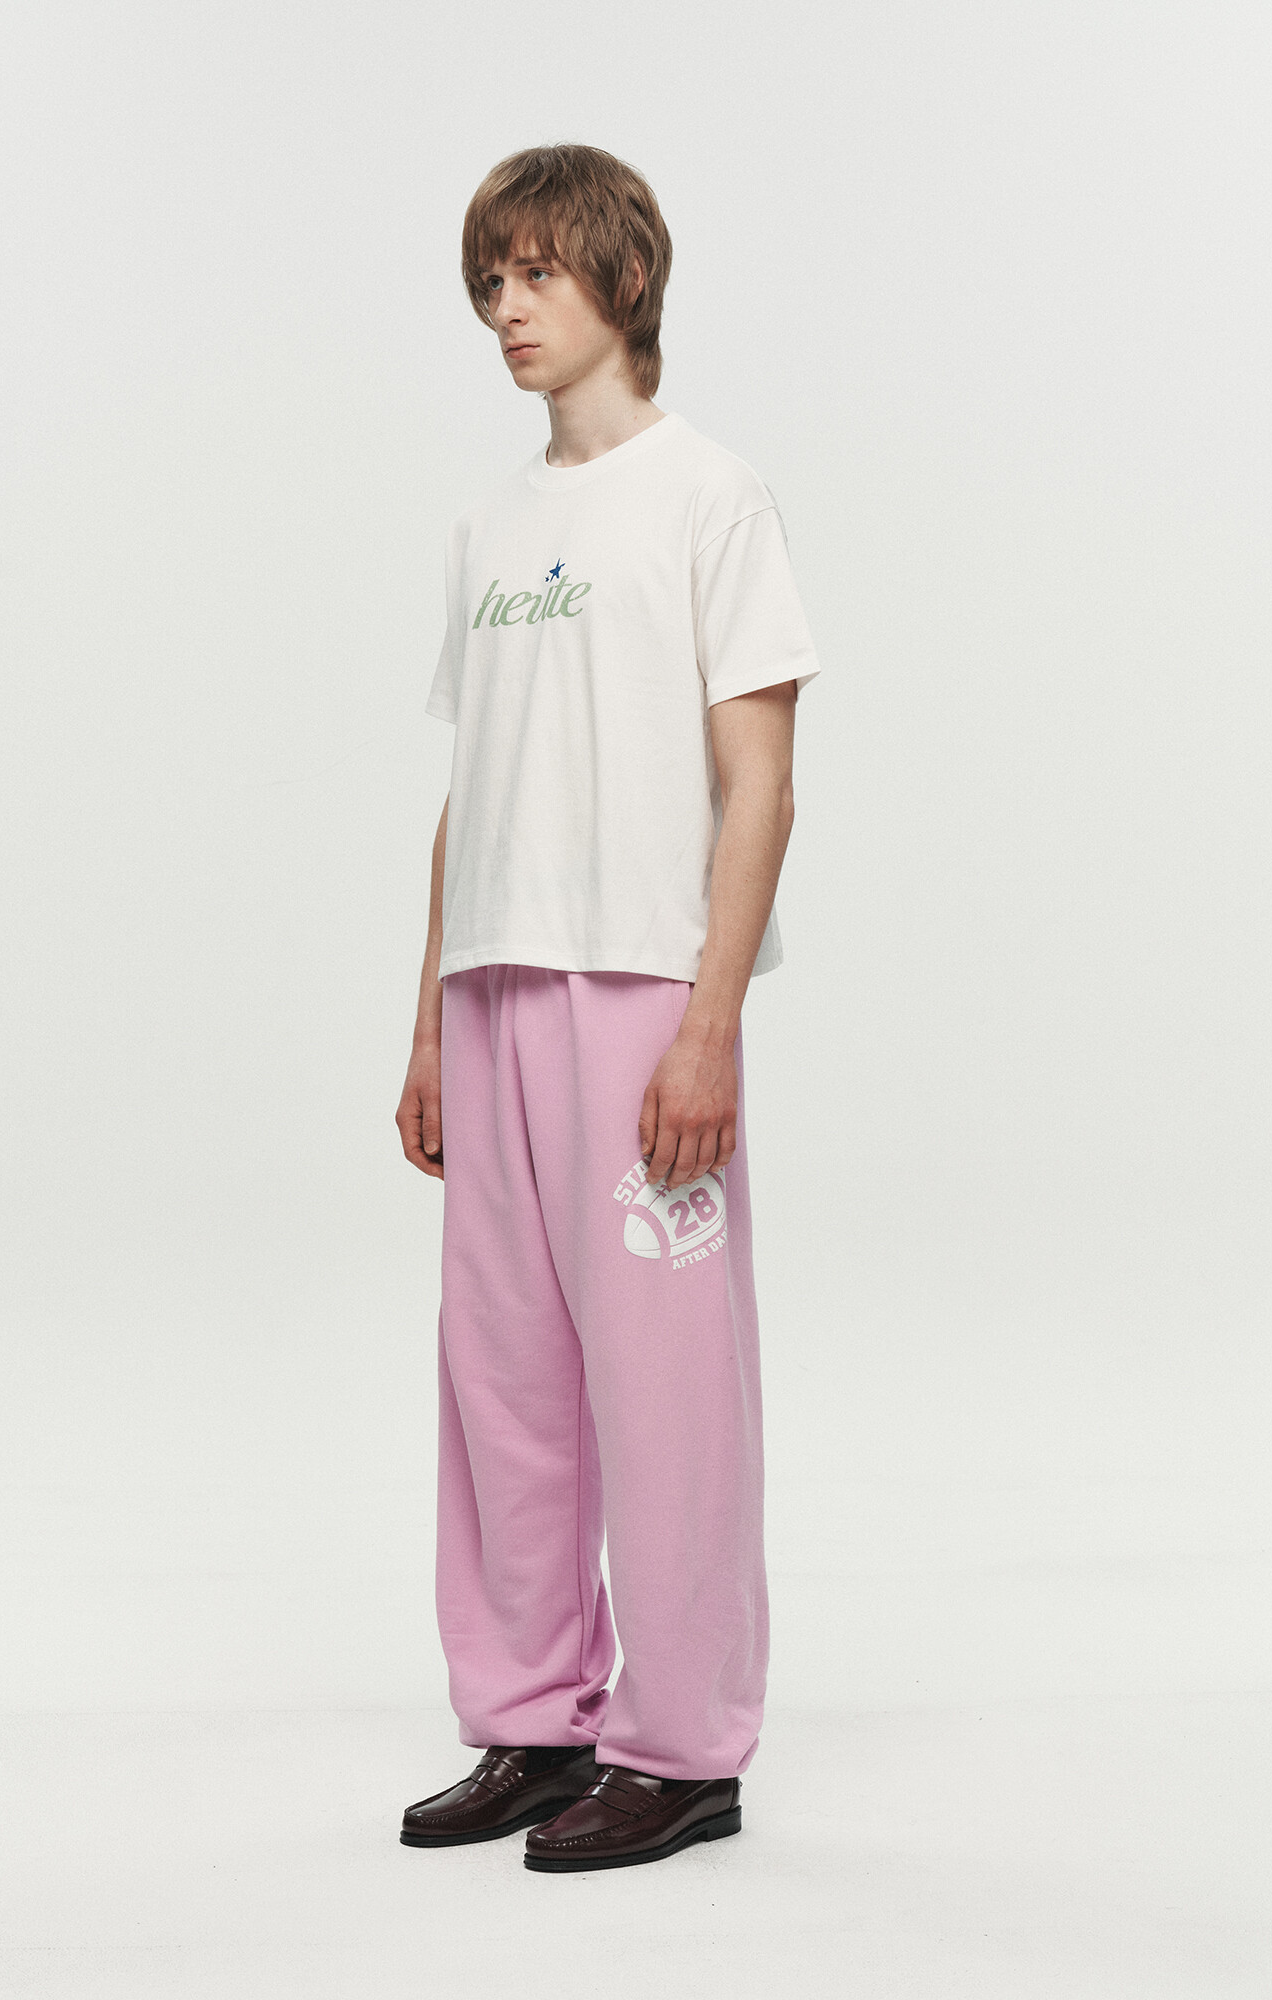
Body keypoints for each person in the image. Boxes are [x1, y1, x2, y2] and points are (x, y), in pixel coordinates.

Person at [393, 142, 820, 1873]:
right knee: (503, 1378)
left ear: (622, 280)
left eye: (538, 273)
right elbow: (470, 790)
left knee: (668, 1387)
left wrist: (713, 1024)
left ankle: (686, 1749)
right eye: (490, 280)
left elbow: (761, 779)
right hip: (495, 987)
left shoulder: (713, 495)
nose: (506, 308)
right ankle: (532, 1719)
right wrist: (427, 1020)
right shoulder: (489, 526)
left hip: (644, 987)